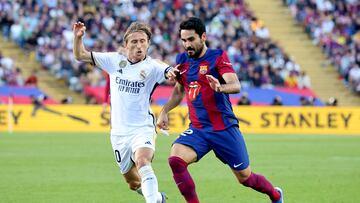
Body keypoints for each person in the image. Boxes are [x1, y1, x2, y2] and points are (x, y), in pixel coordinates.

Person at [157, 17, 284, 203]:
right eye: (183, 40)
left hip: (223, 129)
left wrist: (220, 88)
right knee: (176, 159)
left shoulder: (218, 56)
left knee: (245, 178)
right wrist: (164, 110)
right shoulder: (182, 60)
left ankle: (275, 194)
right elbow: (179, 91)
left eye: (191, 39)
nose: (187, 45)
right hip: (199, 129)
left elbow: (235, 84)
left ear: (203, 37)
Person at [73, 21, 169, 203]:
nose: (139, 45)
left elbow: (169, 70)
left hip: (143, 128)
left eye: (143, 41)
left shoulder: (153, 67)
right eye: (134, 42)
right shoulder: (114, 60)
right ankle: (157, 198)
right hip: (119, 133)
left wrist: (172, 72)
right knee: (133, 182)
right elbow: (80, 55)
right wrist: (78, 38)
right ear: (126, 45)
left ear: (148, 43)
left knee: (143, 161)